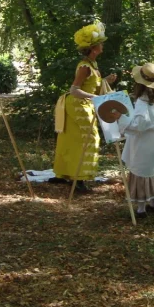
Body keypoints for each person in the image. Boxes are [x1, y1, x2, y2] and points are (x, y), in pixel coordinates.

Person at [51, 22, 116, 192]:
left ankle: (65, 174)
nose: (103, 46)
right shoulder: (85, 66)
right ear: (94, 48)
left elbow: (90, 85)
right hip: (78, 105)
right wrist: (96, 97)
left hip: (84, 104)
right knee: (89, 139)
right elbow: (75, 89)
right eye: (100, 43)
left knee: (72, 139)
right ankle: (79, 180)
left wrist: (105, 81)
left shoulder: (92, 64)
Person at [114, 62, 154, 219]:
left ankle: (141, 209)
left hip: (144, 143)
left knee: (139, 172)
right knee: (148, 171)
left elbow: (139, 125)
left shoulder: (143, 102)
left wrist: (120, 117)